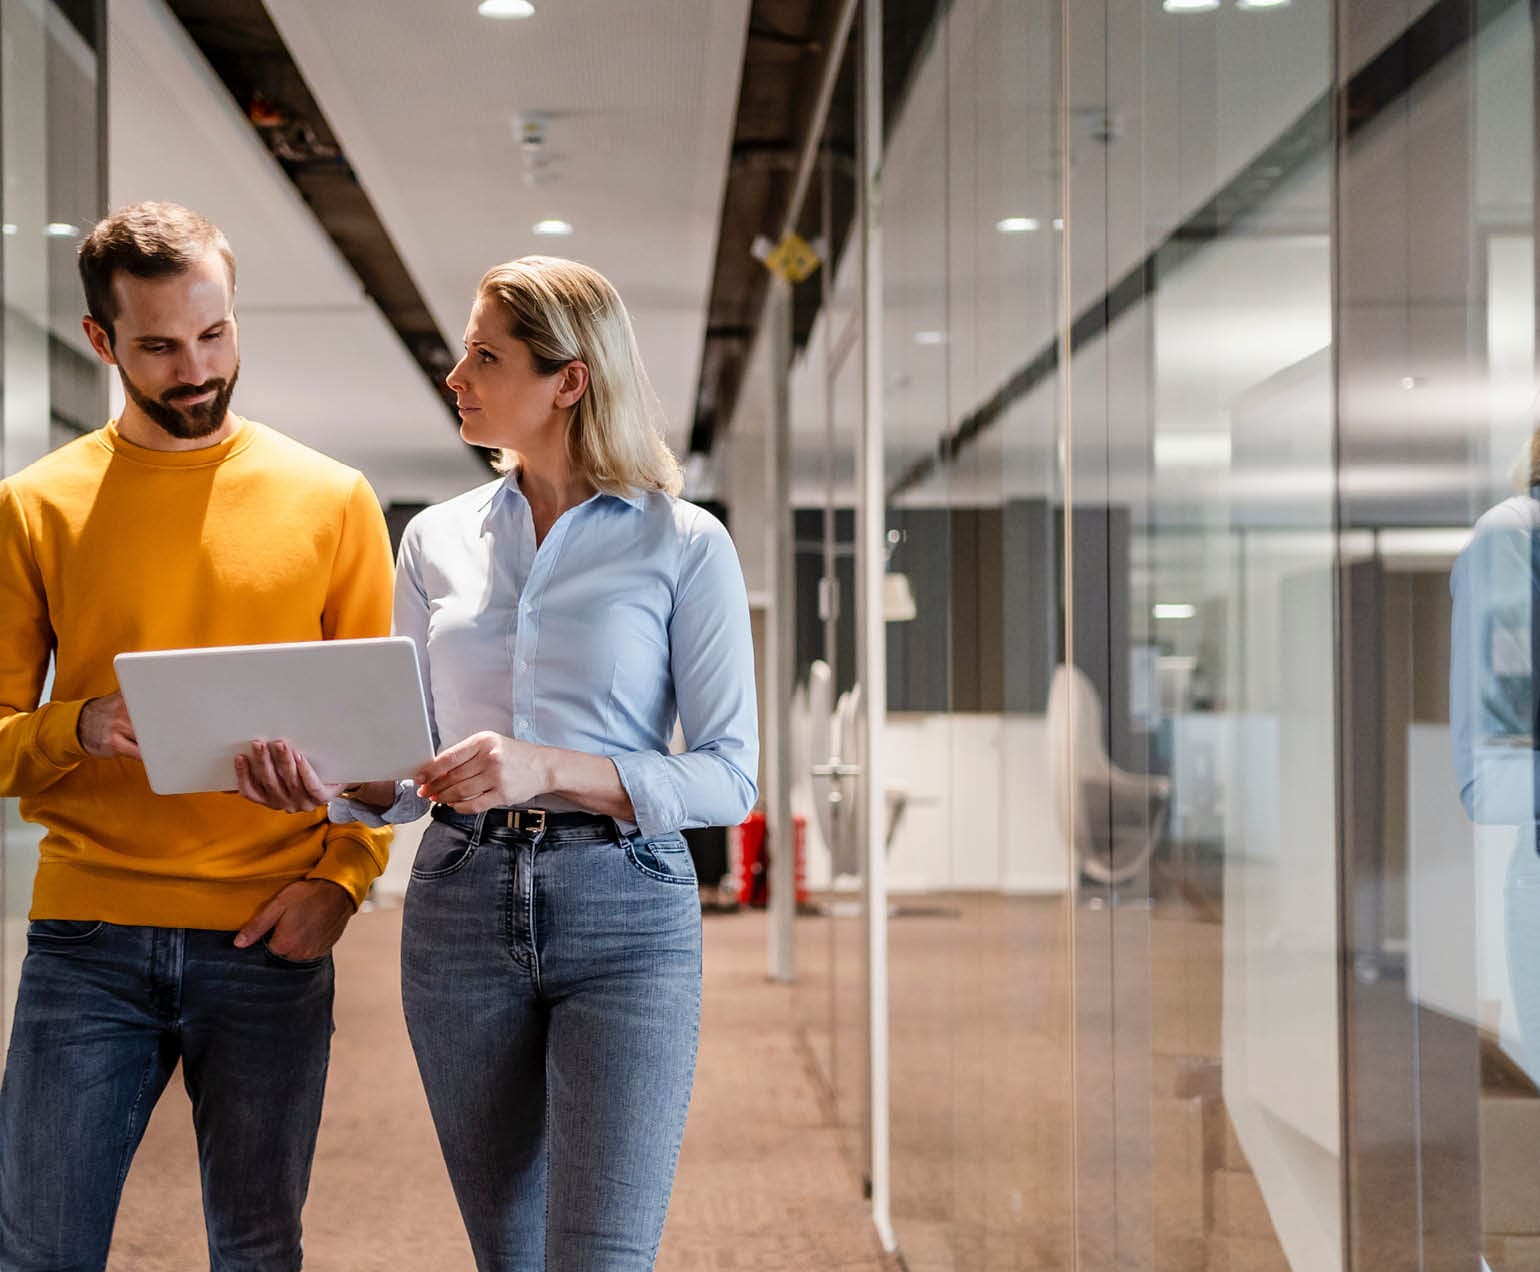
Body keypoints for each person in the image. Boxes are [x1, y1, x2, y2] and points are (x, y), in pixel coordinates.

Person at [241, 255, 758, 1270]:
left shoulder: (682, 543)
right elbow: (398, 772)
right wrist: (336, 782)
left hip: (626, 908)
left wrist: (547, 766)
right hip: (460, 905)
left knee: (601, 1254)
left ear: (570, 378)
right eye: (462, 352)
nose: (458, 376)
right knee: (508, 1254)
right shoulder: (434, 541)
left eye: (487, 355)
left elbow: (731, 776)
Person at [0, 201, 395, 1270]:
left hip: (269, 931)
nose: (196, 368)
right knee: (39, 1249)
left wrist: (342, 882)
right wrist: (79, 726)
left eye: (214, 335)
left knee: (259, 1251)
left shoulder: (332, 500)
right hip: (87, 933)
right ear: (100, 341)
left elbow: (383, 754)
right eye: (160, 346)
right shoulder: (36, 506)